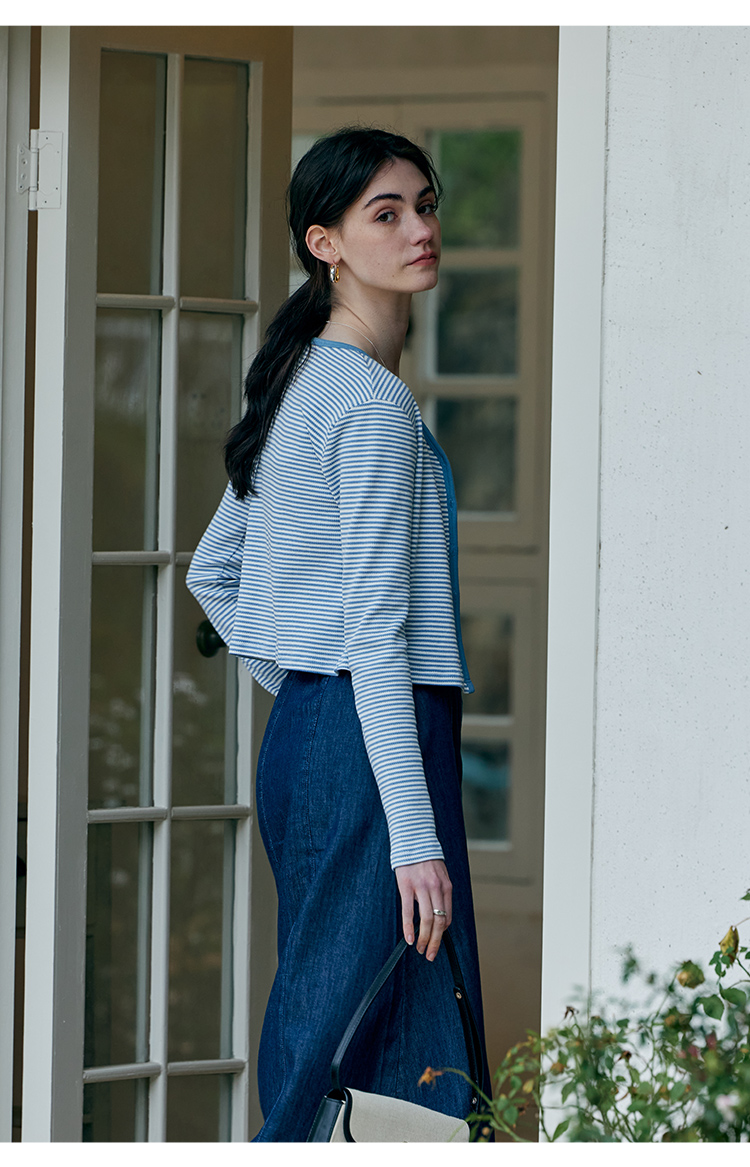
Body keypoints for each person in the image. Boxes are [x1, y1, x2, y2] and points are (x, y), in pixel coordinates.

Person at [186, 126, 491, 1142]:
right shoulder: (367, 403)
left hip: (325, 736)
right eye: (385, 214)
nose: (420, 229)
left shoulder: (305, 382)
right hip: (372, 742)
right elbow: (375, 633)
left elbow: (212, 572)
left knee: (373, 1037)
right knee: (337, 1040)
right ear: (325, 243)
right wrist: (413, 834)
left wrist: (308, 688)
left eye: (424, 206)